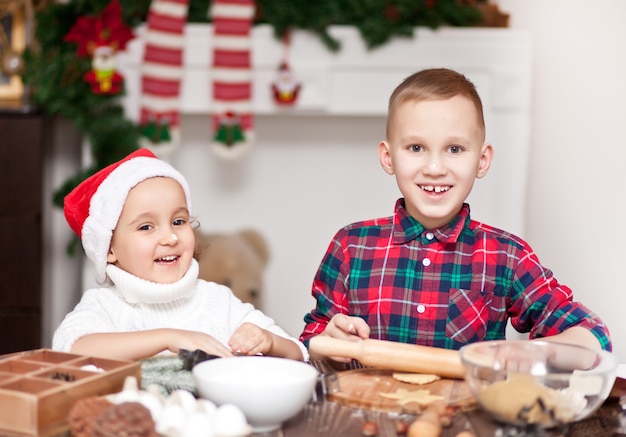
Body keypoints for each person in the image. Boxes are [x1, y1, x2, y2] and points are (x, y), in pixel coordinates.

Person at [300, 68, 611, 360]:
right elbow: (310, 342)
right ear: (388, 156)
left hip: (463, 416)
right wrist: (328, 341)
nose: (435, 168)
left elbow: (593, 339)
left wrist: (531, 354)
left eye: (454, 149)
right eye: (416, 148)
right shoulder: (351, 246)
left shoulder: (507, 256)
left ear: (482, 160)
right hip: (366, 413)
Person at [53, 148, 307, 362]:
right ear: (109, 249)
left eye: (178, 221)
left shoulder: (217, 301)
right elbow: (73, 349)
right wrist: (169, 338)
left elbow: (297, 352)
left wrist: (270, 341)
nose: (170, 237)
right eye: (146, 227)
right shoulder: (103, 306)